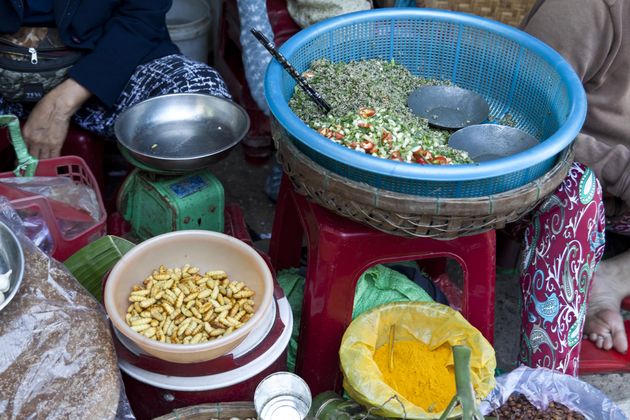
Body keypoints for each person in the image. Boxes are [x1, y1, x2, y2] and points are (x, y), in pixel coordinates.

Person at [522, 0, 630, 356]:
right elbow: (523, 114)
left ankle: (614, 277)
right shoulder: (588, 7)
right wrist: (621, 170)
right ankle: (544, 393)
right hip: (564, 172)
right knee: (576, 193)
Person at [0, 0, 230, 159]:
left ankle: (144, 208)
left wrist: (62, 103)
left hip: (102, 58)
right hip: (5, 72)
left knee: (200, 102)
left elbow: (142, 17)